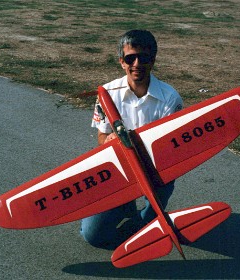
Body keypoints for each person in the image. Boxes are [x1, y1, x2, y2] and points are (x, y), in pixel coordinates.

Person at [80, 29, 183, 249]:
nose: (137, 63)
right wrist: (107, 140)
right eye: (130, 58)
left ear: (152, 60)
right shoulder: (106, 93)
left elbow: (171, 148)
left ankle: (149, 214)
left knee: (146, 227)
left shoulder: (170, 97)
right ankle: (126, 207)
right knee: (92, 235)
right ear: (121, 62)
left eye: (143, 58)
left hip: (157, 168)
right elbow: (101, 135)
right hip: (119, 169)